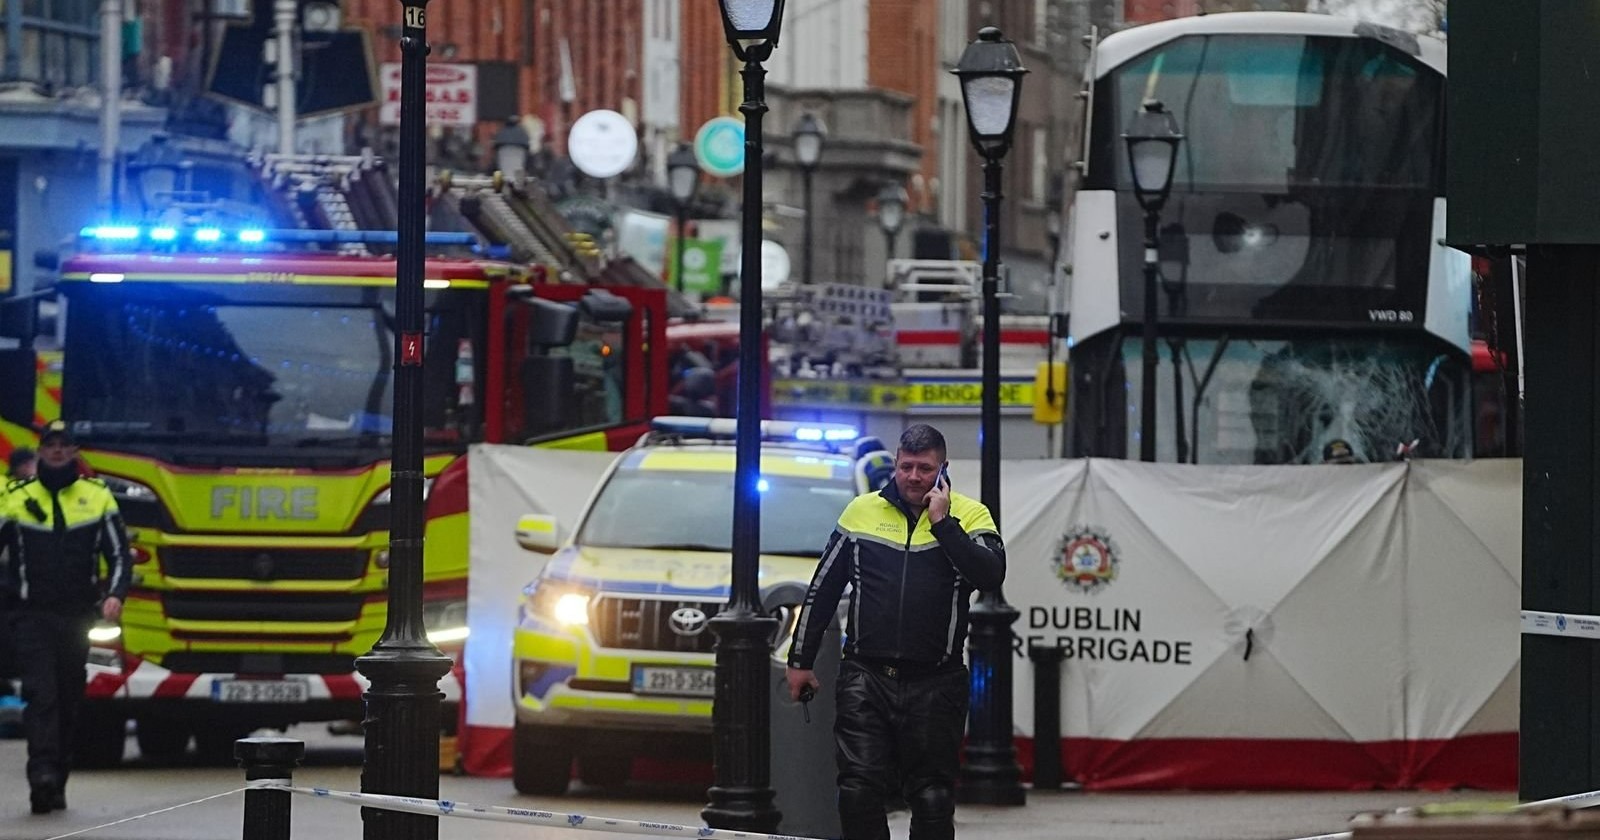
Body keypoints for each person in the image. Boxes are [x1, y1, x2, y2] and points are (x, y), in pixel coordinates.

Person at [785, 423, 1005, 840]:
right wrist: (800, 661)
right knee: (857, 790)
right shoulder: (860, 512)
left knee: (932, 797)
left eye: (925, 468)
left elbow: (991, 575)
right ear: (896, 464)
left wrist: (944, 524)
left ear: (943, 470)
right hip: (866, 676)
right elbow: (822, 590)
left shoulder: (971, 514)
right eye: (906, 467)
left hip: (936, 681)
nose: (914, 477)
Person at [0, 421, 131, 814]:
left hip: (78, 615)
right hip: (30, 614)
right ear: (40, 451)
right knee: (41, 695)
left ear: (75, 451)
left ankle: (57, 775)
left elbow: (121, 555)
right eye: (50, 445)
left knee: (70, 697)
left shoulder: (97, 497)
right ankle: (40, 774)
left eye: (64, 445)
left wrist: (115, 595)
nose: (57, 451)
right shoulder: (15, 497)